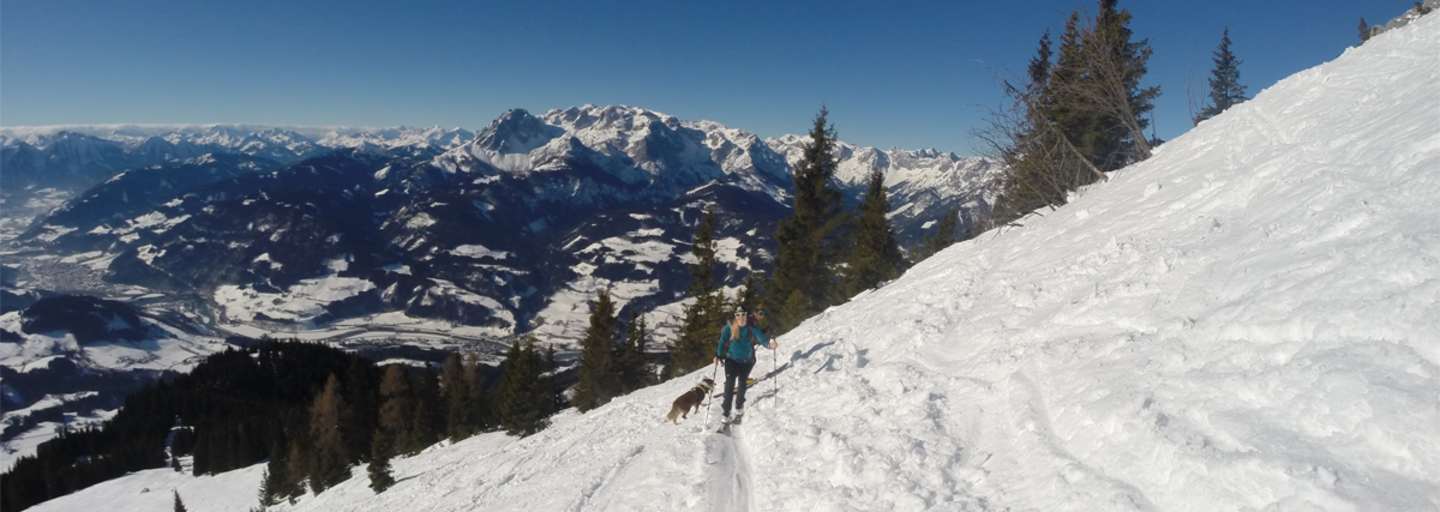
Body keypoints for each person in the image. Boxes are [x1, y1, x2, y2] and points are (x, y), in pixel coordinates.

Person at [715, 308, 777, 424]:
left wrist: (769, 344)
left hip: (746, 361)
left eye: (743, 314)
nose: (741, 317)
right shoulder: (729, 328)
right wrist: (718, 355)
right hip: (731, 360)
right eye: (738, 315)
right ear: (735, 316)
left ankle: (739, 408)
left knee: (742, 384)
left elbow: (762, 338)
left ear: (746, 315)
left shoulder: (751, 327)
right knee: (729, 384)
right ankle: (726, 413)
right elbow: (722, 342)